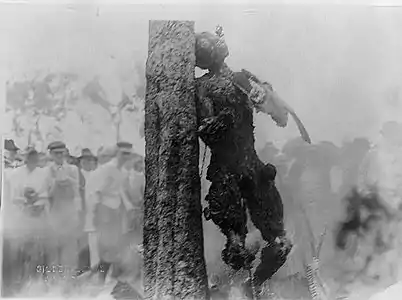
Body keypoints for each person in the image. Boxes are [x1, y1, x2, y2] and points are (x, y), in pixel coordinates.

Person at [2, 147, 49, 295]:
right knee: (20, 250)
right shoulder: (15, 175)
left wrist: (37, 203)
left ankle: (35, 282)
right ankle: (18, 282)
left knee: (37, 250)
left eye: (35, 158)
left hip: (37, 215)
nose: (33, 161)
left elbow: (46, 194)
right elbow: (12, 197)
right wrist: (25, 203)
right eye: (30, 158)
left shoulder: (42, 174)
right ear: (25, 159)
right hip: (20, 216)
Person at [91, 142, 135, 284]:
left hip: (116, 210)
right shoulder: (108, 169)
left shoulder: (123, 171)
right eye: (123, 153)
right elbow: (97, 192)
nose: (126, 157)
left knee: (115, 245)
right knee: (105, 245)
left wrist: (129, 208)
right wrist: (97, 213)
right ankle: (100, 277)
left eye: (128, 154)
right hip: (104, 210)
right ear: (117, 153)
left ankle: (111, 277)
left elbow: (122, 192)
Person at [44, 141, 82, 280]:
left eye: (61, 153)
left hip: (69, 211)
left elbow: (77, 192)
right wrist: (56, 181)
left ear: (65, 153)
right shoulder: (47, 171)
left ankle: (69, 280)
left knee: (70, 248)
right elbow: (46, 194)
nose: (59, 156)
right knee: (53, 248)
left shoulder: (72, 169)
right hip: (55, 211)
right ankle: (54, 281)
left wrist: (77, 213)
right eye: (56, 153)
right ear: (51, 154)